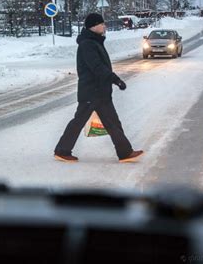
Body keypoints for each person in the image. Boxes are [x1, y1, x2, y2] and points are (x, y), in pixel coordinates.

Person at [54, 13, 143, 163]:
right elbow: (97, 67)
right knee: (78, 122)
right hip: (91, 92)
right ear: (94, 26)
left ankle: (125, 152)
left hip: (100, 92)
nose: (104, 26)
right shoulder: (87, 44)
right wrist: (115, 79)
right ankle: (62, 151)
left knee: (113, 123)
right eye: (102, 24)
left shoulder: (95, 42)